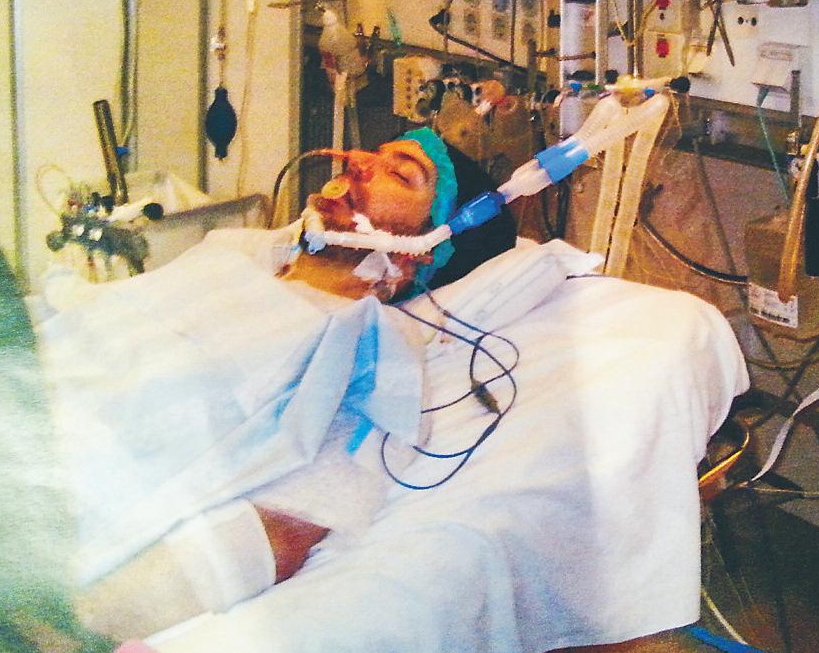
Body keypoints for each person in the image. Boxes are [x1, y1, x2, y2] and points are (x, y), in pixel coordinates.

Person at [67, 127, 517, 643]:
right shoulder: (230, 254)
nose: (358, 164)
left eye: (400, 174)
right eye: (376, 153)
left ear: (420, 253)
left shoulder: (370, 355)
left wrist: (66, 623)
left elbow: (269, 538)